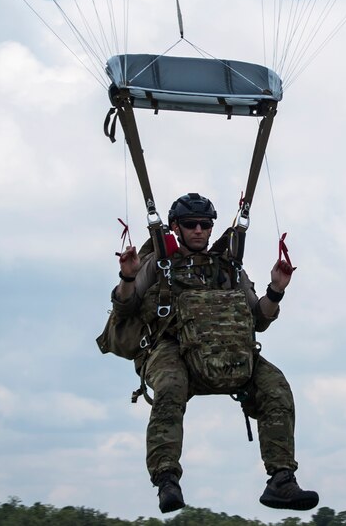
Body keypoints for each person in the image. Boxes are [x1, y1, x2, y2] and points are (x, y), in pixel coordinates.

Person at [111, 193, 319, 514]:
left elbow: (259, 318)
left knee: (275, 386)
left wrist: (276, 289)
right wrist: (128, 276)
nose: (198, 230)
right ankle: (166, 478)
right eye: (190, 224)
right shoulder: (157, 265)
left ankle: (281, 478)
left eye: (205, 225)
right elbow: (125, 306)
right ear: (176, 227)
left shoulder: (227, 268)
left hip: (228, 352)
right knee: (169, 386)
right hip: (173, 350)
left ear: (211, 228)